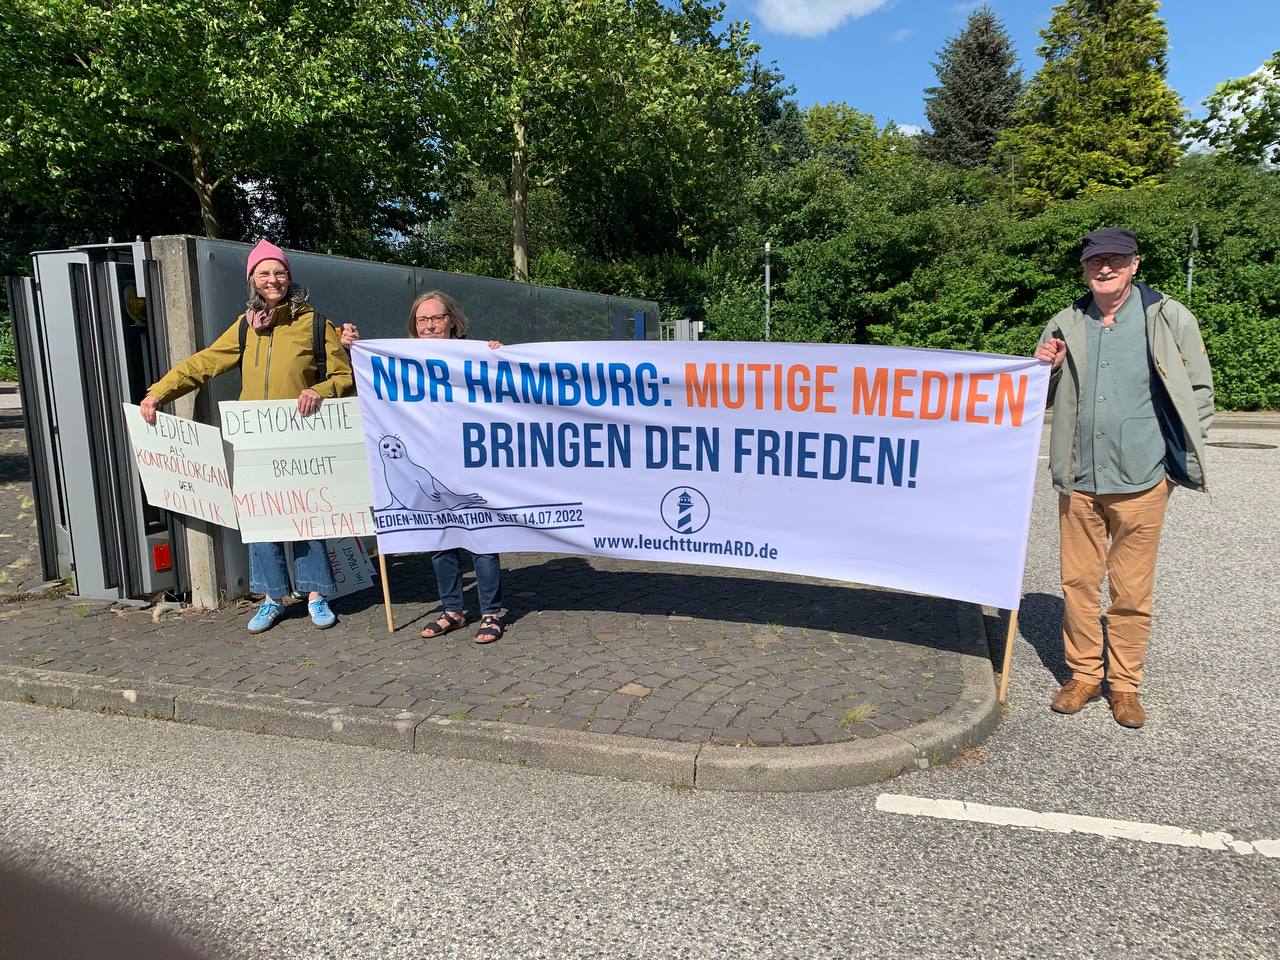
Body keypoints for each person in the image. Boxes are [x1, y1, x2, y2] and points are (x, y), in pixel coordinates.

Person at [1033, 228, 1213, 728]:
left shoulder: (1168, 317)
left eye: (1116, 259)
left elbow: (1200, 391)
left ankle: (1125, 685)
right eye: (1096, 261)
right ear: (1084, 269)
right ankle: (1084, 675)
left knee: (1131, 591)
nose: (1105, 268)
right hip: (1079, 479)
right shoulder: (1064, 322)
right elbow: (1034, 396)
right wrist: (1046, 369)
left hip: (1143, 479)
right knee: (1077, 583)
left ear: (1135, 264)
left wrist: (1176, 459)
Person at [140, 240, 357, 633]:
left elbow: (344, 376)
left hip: (302, 438)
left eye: (279, 272)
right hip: (256, 441)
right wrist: (159, 392)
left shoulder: (314, 323)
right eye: (264, 273)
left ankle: (315, 595)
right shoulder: (245, 326)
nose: (272, 279)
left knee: (307, 515)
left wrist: (319, 390)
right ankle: (273, 598)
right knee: (263, 517)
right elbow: (204, 362)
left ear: (289, 278)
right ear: (253, 280)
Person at [341, 291, 507, 644]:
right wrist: (353, 351)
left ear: (452, 321)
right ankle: (453, 610)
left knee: (482, 535)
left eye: (436, 317)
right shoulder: (402, 359)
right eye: (422, 319)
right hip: (429, 459)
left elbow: (502, 387)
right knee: (440, 537)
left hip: (470, 461)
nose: (430, 325)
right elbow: (368, 385)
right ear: (414, 325)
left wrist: (500, 356)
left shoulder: (474, 354)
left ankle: (491, 613)